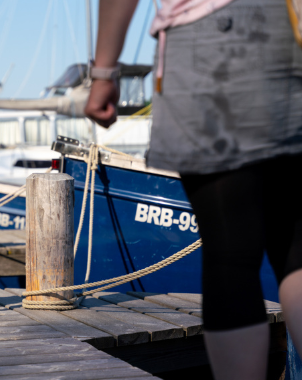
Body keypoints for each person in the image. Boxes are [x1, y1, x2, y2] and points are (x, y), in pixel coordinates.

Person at [85, 1, 302, 379]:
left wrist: (104, 70)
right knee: (296, 245)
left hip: (215, 40)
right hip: (291, 31)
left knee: (231, 253)